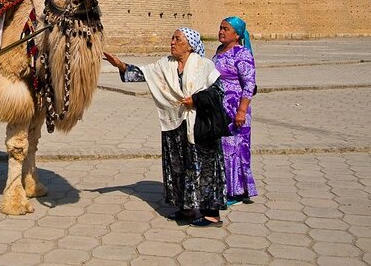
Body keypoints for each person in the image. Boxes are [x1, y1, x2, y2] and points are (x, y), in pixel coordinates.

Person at [104, 28, 227, 227]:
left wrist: (195, 99)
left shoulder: (204, 66)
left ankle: (211, 214)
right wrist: (120, 65)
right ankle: (186, 208)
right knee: (179, 167)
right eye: (172, 38)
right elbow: (142, 74)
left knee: (204, 168)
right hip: (175, 124)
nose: (172, 42)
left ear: (190, 45)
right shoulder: (165, 65)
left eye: (177, 39)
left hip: (200, 126)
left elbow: (219, 91)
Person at [213, 16, 258, 205]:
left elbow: (249, 84)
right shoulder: (219, 51)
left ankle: (238, 192)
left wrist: (241, 110)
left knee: (236, 149)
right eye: (220, 28)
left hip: (236, 108)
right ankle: (227, 188)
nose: (221, 31)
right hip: (220, 108)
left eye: (226, 29)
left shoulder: (242, 54)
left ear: (237, 34)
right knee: (223, 149)